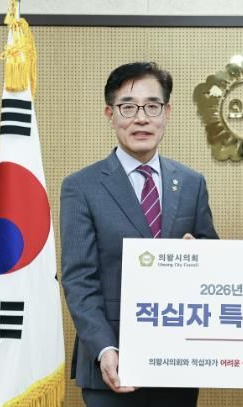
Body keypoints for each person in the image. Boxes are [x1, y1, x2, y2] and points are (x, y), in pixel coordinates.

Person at [60, 61, 218, 406]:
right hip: (112, 363)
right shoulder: (81, 186)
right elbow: (78, 278)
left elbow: (212, 255)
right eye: (128, 107)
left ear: (167, 113)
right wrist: (104, 347)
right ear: (110, 114)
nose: (141, 118)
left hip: (178, 357)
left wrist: (201, 254)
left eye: (152, 106)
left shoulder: (191, 183)